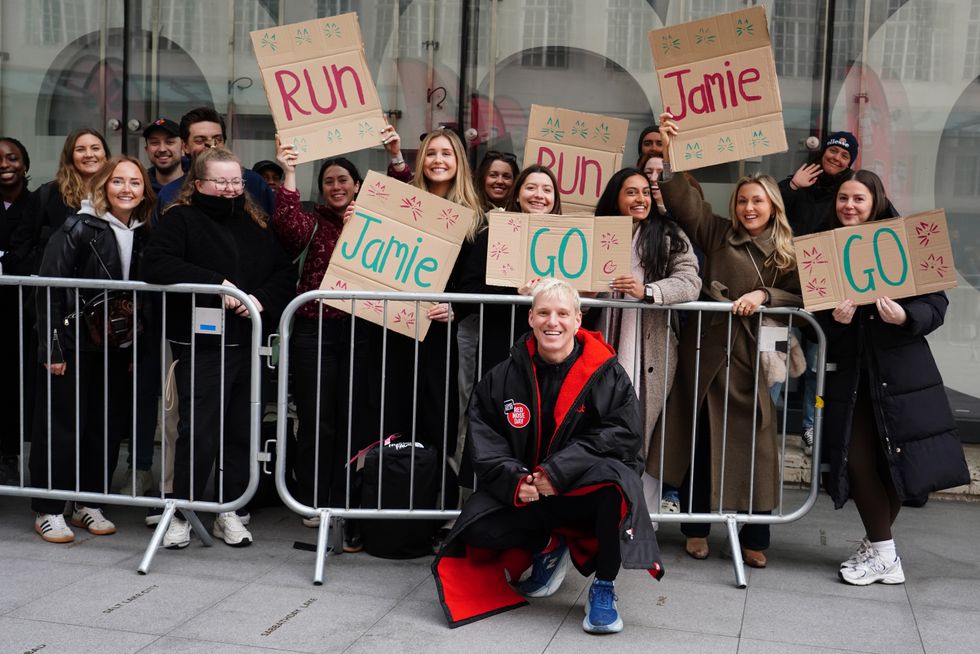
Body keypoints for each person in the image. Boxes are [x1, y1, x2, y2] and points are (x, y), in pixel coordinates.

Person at [432, 278, 663, 633]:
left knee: (616, 489)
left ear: (577, 320)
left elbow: (624, 436)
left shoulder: (607, 373)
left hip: (583, 489)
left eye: (561, 313)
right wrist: (514, 480)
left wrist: (557, 473)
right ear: (530, 318)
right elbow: (485, 437)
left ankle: (604, 586)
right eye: (543, 312)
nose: (552, 322)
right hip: (531, 490)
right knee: (476, 529)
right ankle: (550, 546)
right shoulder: (503, 375)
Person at [653, 112, 802, 568]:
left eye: (757, 201)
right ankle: (696, 529)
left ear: (773, 205)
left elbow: (803, 292)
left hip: (760, 357)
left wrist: (765, 293)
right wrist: (671, 151)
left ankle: (756, 536)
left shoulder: (786, 250)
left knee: (756, 446)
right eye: (742, 201)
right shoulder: (718, 233)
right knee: (703, 440)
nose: (748, 208)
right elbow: (684, 203)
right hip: (711, 353)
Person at [819, 169, 969, 585]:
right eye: (843, 198)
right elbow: (814, 320)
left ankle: (881, 552)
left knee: (896, 464)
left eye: (858, 199)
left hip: (903, 376)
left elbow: (936, 305)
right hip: (853, 379)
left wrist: (905, 315)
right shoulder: (825, 248)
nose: (849, 205)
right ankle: (883, 551)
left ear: (876, 203)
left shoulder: (905, 245)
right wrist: (835, 319)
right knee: (855, 457)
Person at [142, 147, 295, 549]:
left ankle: (230, 509)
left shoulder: (256, 221)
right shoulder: (181, 219)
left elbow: (284, 273)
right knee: (199, 430)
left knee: (242, 431)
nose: (229, 189)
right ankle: (182, 511)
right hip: (203, 346)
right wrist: (217, 285)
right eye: (221, 181)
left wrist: (258, 299)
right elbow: (156, 264)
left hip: (250, 342)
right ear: (199, 184)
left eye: (235, 182)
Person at [272, 124, 410, 546]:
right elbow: (286, 224)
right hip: (316, 334)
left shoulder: (372, 217)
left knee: (355, 419)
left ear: (357, 186)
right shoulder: (311, 222)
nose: (336, 186)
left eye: (343, 180)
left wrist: (395, 154)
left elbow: (407, 202)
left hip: (362, 333)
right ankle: (313, 500)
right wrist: (289, 171)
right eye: (328, 181)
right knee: (317, 419)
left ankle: (345, 495)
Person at [29, 156, 154, 543]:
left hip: (117, 347)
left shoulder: (147, 230)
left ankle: (88, 501)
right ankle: (49, 508)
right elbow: (49, 288)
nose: (127, 189)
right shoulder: (79, 227)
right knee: (63, 425)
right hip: (74, 344)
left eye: (135, 182)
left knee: (107, 426)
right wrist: (52, 347)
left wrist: (136, 349)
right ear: (102, 185)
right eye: (118, 181)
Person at [599, 167, 701, 483]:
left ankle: (639, 518)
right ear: (615, 197)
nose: (641, 198)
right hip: (598, 343)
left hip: (648, 350)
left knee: (641, 429)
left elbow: (690, 282)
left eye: (645, 192)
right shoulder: (595, 231)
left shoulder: (668, 233)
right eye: (631, 192)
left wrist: (648, 291)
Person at [777, 130, 860, 453]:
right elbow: (770, 213)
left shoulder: (851, 191)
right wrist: (793, 187)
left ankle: (812, 426)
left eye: (844, 155)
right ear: (823, 151)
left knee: (816, 364)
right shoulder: (800, 180)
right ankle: (765, 425)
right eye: (834, 151)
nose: (836, 158)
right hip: (786, 286)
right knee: (775, 360)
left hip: (824, 289)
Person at [12, 128, 110, 273]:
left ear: (105, 154)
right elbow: (21, 245)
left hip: (103, 286)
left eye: (95, 148)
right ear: (70, 156)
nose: (89, 155)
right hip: (56, 287)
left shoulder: (118, 192)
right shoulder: (48, 194)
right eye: (80, 149)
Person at [155, 106, 275, 217]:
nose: (211, 146)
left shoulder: (254, 183)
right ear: (185, 146)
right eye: (200, 140)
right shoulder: (170, 194)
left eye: (217, 139)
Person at [0, 136, 35, 485]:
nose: (5, 165)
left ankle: (10, 454)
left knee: (13, 384)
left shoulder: (36, 203)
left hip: (20, 313)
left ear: (24, 164)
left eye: (12, 158)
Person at [143, 118, 183, 192]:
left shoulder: (196, 186)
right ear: (147, 149)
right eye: (154, 142)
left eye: (169, 142)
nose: (162, 149)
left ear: (183, 146)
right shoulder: (140, 188)